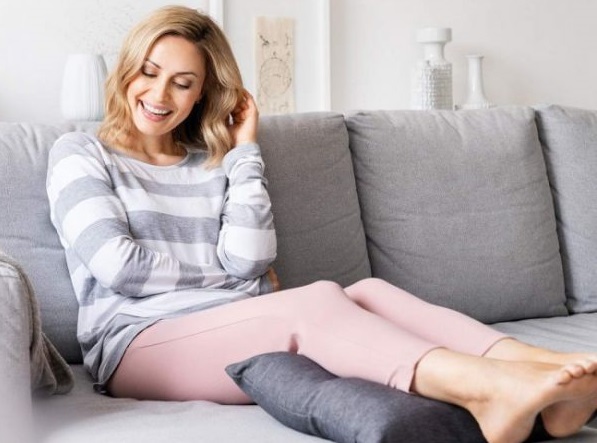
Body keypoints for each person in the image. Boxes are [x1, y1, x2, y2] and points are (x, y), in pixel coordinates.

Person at [46, 6, 597, 443]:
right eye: (149, 73)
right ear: (127, 69)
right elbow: (119, 267)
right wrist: (234, 280)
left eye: (183, 83)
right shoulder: (81, 153)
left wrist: (244, 152)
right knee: (314, 302)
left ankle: (554, 369)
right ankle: (489, 391)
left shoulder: (213, 162)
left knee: (370, 291)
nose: (160, 95)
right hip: (137, 344)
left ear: (202, 94)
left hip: (229, 319)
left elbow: (250, 258)